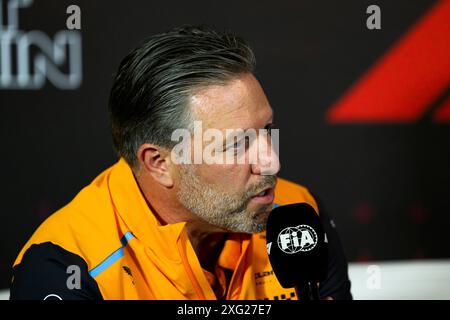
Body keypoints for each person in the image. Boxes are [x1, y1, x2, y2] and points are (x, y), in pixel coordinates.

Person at [10, 25, 352, 300]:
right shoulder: (66, 267)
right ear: (159, 162)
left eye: (267, 130)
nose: (271, 161)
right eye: (236, 144)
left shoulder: (299, 212)